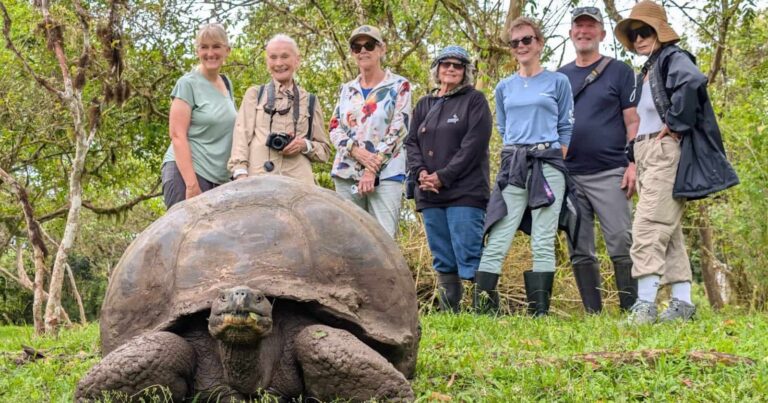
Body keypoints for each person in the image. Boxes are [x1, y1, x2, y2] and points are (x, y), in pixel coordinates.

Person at [615, 0, 739, 324]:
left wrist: (675, 122)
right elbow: (642, 119)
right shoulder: (649, 68)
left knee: (648, 226)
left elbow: (693, 81)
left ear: (659, 31)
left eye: (645, 31)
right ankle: (682, 304)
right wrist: (633, 155)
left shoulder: (672, 57)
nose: (639, 38)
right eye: (634, 33)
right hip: (646, 154)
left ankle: (645, 304)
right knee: (668, 231)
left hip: (664, 152)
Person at [474, 17, 574, 316]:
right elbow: (504, 127)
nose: (521, 46)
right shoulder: (505, 87)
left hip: (548, 164)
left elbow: (566, 126)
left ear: (539, 43)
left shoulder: (558, 82)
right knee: (500, 230)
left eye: (526, 40)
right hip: (514, 163)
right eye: (514, 42)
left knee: (543, 236)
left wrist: (556, 156)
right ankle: (484, 308)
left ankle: (539, 312)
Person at [558, 7, 640, 313]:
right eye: (578, 27)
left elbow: (632, 121)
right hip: (570, 174)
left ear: (602, 34)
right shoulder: (560, 77)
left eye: (590, 27)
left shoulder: (620, 72)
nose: (583, 32)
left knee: (621, 240)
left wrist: (633, 164)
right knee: (579, 247)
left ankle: (631, 310)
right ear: (571, 34)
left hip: (611, 171)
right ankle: (593, 313)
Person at [404, 46, 492, 313]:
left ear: (466, 71)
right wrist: (421, 174)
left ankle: (485, 311)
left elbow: (473, 145)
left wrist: (443, 177)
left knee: (470, 253)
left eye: (458, 65)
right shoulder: (424, 104)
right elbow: (411, 142)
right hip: (429, 193)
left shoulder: (475, 101)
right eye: (446, 64)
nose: (451, 68)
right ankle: (449, 313)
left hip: (465, 192)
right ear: (437, 69)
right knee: (442, 257)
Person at [329, 25, 412, 238]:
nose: (363, 50)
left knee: (383, 239)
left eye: (369, 45)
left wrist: (371, 168)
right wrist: (355, 151)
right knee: (350, 239)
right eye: (357, 47)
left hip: (385, 172)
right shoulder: (346, 89)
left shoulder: (398, 85)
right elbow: (335, 127)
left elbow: (399, 129)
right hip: (347, 171)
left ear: (381, 49)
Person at [229, 34, 331, 185]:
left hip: (299, 184)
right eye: (273, 57)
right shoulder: (255, 94)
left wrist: (304, 145)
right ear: (267, 62)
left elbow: (324, 152)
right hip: (258, 180)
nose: (279, 63)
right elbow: (241, 137)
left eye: (285, 56)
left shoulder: (310, 100)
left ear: (297, 60)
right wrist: (240, 175)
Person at [162, 23, 237, 208]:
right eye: (204, 47)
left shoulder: (226, 83)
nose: (210, 53)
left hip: (219, 178)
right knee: (185, 235)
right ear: (197, 51)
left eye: (216, 46)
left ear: (227, 50)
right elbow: (177, 135)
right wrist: (192, 184)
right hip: (188, 174)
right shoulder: (187, 84)